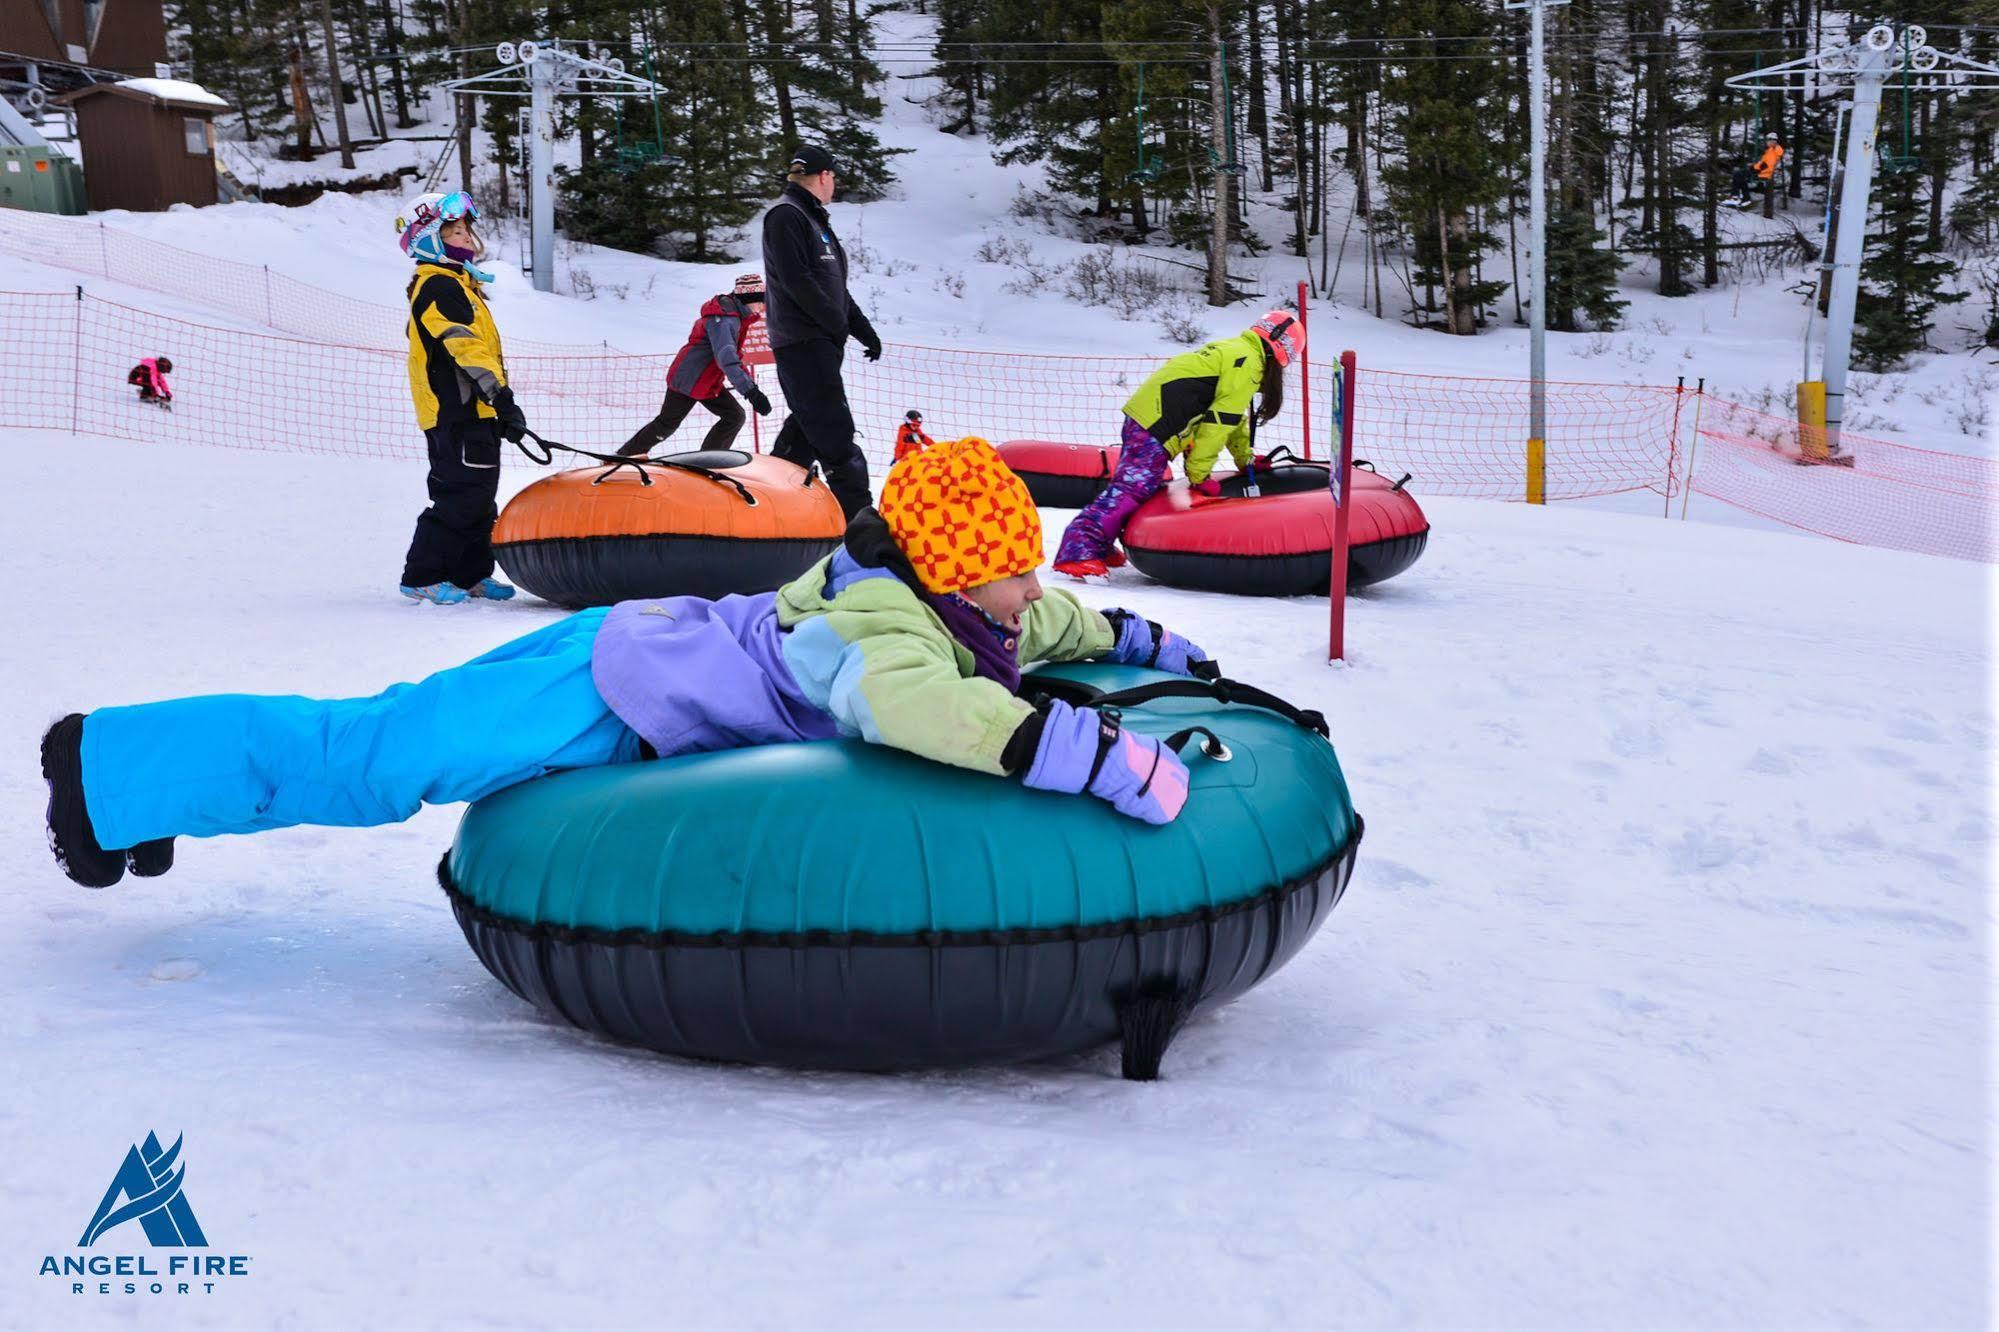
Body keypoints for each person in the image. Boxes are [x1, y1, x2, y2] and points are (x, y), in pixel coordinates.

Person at [39, 439, 1214, 890]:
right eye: (1014, 569)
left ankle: (156, 786)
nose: (1035, 588)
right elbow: (932, 717)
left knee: (380, 751)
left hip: (640, 675)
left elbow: (1067, 630)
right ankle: (99, 771)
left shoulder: (975, 608)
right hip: (601, 688)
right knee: (381, 758)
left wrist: (1160, 648)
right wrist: (1098, 757)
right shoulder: (887, 632)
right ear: (957, 569)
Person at [1053, 310, 1303, 579]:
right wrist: (1199, 475)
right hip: (1157, 422)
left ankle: (1098, 545)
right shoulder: (1249, 364)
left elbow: (1232, 418)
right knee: (1132, 488)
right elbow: (1218, 424)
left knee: (1139, 487)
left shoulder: (1238, 351)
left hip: (1149, 417)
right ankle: (1078, 549)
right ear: (1281, 353)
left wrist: (1247, 459)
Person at [396, 190, 526, 607]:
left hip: (476, 408)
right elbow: (464, 347)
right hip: (456, 410)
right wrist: (500, 396)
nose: (465, 237)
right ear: (430, 240)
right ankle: (423, 575)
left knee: (481, 495)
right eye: (453, 230)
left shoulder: (459, 285)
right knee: (459, 493)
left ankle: (470, 572)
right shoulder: (438, 285)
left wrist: (497, 406)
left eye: (466, 229)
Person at [761, 144, 883, 520]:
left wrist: (863, 331)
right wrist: (835, 324)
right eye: (834, 178)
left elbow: (834, 287)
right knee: (834, 433)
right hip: (802, 342)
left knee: (802, 433)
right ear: (825, 176)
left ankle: (768, 511)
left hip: (820, 342)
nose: (835, 185)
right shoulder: (787, 216)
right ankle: (862, 525)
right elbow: (797, 280)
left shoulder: (813, 220)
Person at [619, 273, 774, 457]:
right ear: (748, 298)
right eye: (759, 300)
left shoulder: (734, 316)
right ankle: (625, 456)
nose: (762, 306)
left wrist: (751, 387)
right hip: (689, 378)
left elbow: (734, 356)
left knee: (734, 416)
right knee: (667, 423)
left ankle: (708, 459)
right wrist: (751, 392)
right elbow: (726, 358)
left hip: (706, 381)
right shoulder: (725, 320)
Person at [1729, 133, 1784, 207]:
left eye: (1768, 141)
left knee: (1738, 174)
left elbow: (1767, 164)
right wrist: (1755, 166)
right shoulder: (1772, 149)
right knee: (1741, 177)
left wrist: (1755, 168)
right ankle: (1746, 198)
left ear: (1773, 141)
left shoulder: (1774, 150)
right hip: (1761, 170)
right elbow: (1765, 162)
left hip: (1763, 171)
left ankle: (1735, 196)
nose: (1766, 142)